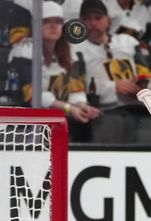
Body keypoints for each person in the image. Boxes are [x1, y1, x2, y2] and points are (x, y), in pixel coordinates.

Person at [6, 0, 100, 139]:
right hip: (26, 124)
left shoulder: (70, 53)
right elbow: (31, 94)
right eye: (47, 21)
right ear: (36, 25)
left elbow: (76, 89)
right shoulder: (24, 50)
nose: (53, 26)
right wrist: (68, 108)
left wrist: (81, 105)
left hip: (60, 121)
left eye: (58, 21)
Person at [72, 0, 151, 143]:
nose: (93, 23)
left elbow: (145, 72)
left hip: (138, 107)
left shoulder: (128, 42)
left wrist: (142, 88)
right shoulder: (75, 50)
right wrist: (113, 87)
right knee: (113, 123)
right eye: (87, 19)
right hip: (104, 111)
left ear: (108, 21)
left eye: (97, 18)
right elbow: (77, 88)